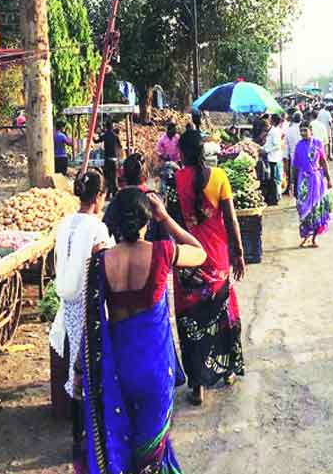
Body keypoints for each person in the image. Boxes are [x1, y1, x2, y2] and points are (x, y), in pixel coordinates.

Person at [81, 188, 206, 474]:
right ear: (147, 220)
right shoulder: (162, 252)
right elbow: (200, 252)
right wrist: (166, 218)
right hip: (155, 368)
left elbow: (91, 320)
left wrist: (79, 369)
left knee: (124, 444)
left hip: (118, 369)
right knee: (150, 450)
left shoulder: (101, 261)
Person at [174, 129, 246, 406]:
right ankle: (226, 370)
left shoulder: (174, 181)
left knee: (190, 321)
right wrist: (238, 253)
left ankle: (198, 385)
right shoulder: (219, 177)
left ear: (182, 153)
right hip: (217, 261)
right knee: (222, 315)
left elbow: (171, 224)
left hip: (188, 261)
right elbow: (231, 220)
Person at [51, 169, 112, 470]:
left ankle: (78, 435)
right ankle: (88, 435)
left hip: (67, 304)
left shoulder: (65, 223)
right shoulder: (98, 228)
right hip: (88, 306)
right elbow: (104, 269)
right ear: (99, 197)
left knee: (77, 367)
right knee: (89, 370)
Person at [292, 121, 333, 248]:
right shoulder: (298, 146)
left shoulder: (317, 144)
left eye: (305, 130)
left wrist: (329, 179)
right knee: (303, 209)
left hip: (317, 180)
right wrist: (292, 183)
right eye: (301, 131)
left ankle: (314, 238)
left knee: (317, 209)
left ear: (311, 130)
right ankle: (306, 237)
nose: (303, 133)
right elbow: (294, 167)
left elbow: (323, 162)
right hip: (303, 182)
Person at [97, 121, 122, 199]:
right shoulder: (116, 136)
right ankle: (115, 194)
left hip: (107, 160)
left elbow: (96, 141)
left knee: (107, 177)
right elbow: (120, 146)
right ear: (112, 127)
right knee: (114, 177)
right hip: (115, 160)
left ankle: (107, 193)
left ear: (106, 127)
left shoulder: (105, 135)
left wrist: (98, 135)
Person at [263, 113, 284, 203]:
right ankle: (274, 197)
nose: (269, 120)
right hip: (272, 157)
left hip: (274, 158)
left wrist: (266, 150)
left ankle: (275, 198)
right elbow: (269, 144)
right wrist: (262, 148)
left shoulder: (274, 132)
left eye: (270, 119)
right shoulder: (272, 131)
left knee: (274, 179)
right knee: (272, 179)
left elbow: (277, 145)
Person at [284, 112, 303, 197]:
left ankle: (297, 195)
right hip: (304, 155)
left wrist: (286, 158)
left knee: (295, 177)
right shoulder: (303, 129)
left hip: (293, 156)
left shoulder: (289, 130)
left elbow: (286, 146)